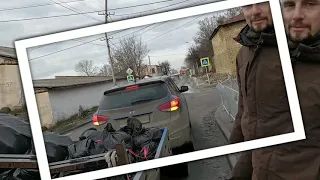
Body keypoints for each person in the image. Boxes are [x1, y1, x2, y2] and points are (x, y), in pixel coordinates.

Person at [229, 0, 320, 179]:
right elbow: (249, 111)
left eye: (310, 4)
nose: (297, 15)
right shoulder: (248, 52)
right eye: (290, 5)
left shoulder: (287, 50)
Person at [227, 2, 294, 180]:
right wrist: (235, 140)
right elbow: (244, 102)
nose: (255, 11)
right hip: (254, 154)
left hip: (290, 161)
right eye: (248, 5)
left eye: (263, 2)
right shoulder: (243, 53)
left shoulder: (296, 45)